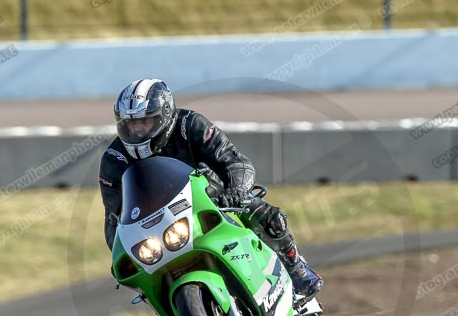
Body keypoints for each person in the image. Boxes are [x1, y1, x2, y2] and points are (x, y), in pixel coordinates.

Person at [99, 78, 323, 298]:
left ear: (164, 116)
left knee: (265, 215)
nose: (136, 130)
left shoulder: (190, 124)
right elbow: (113, 217)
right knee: (139, 275)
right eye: (130, 123)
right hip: (157, 224)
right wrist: (120, 252)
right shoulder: (114, 159)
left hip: (210, 197)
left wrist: (237, 190)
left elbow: (235, 161)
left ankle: (296, 269)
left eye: (144, 121)